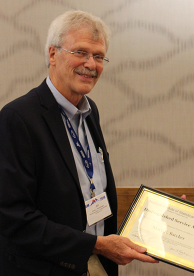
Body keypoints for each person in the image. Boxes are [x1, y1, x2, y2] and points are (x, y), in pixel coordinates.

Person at [0, 10, 157, 276]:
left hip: (95, 265)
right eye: (80, 53)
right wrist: (95, 245)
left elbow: (90, 190)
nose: (91, 64)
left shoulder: (89, 111)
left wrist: (158, 216)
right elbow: (14, 216)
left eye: (98, 56)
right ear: (52, 54)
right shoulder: (17, 119)